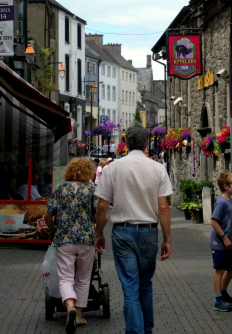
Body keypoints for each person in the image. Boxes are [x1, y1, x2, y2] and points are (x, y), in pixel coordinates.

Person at [95, 125, 173, 334]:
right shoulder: (157, 169)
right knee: (145, 284)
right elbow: (163, 207)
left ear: (126, 143)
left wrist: (99, 233)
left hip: (122, 231)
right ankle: (146, 330)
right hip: (149, 231)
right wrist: (167, 239)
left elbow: (102, 206)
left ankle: (136, 331)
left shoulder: (113, 168)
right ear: (147, 143)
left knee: (130, 286)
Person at [44, 158, 97, 334]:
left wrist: (53, 230)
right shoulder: (91, 190)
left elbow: (47, 215)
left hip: (64, 238)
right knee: (83, 278)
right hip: (86, 239)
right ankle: (79, 314)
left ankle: (69, 308)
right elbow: (99, 213)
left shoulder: (61, 189)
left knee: (65, 277)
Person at [210, 172, 232, 313]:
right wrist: (224, 237)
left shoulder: (231, 202)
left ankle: (223, 292)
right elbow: (214, 221)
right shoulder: (221, 202)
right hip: (219, 244)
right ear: (225, 186)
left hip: (228, 243)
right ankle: (218, 299)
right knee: (220, 270)